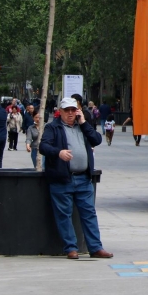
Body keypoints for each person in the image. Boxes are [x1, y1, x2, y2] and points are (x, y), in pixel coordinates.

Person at [39, 97, 112, 260]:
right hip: (62, 178)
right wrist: (59, 152)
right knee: (64, 214)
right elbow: (43, 146)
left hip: (83, 179)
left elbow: (97, 140)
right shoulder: (53, 127)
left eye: (73, 110)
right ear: (61, 111)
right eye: (67, 110)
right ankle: (71, 248)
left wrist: (84, 122)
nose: (71, 113)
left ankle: (95, 247)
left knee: (89, 213)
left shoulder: (82, 126)